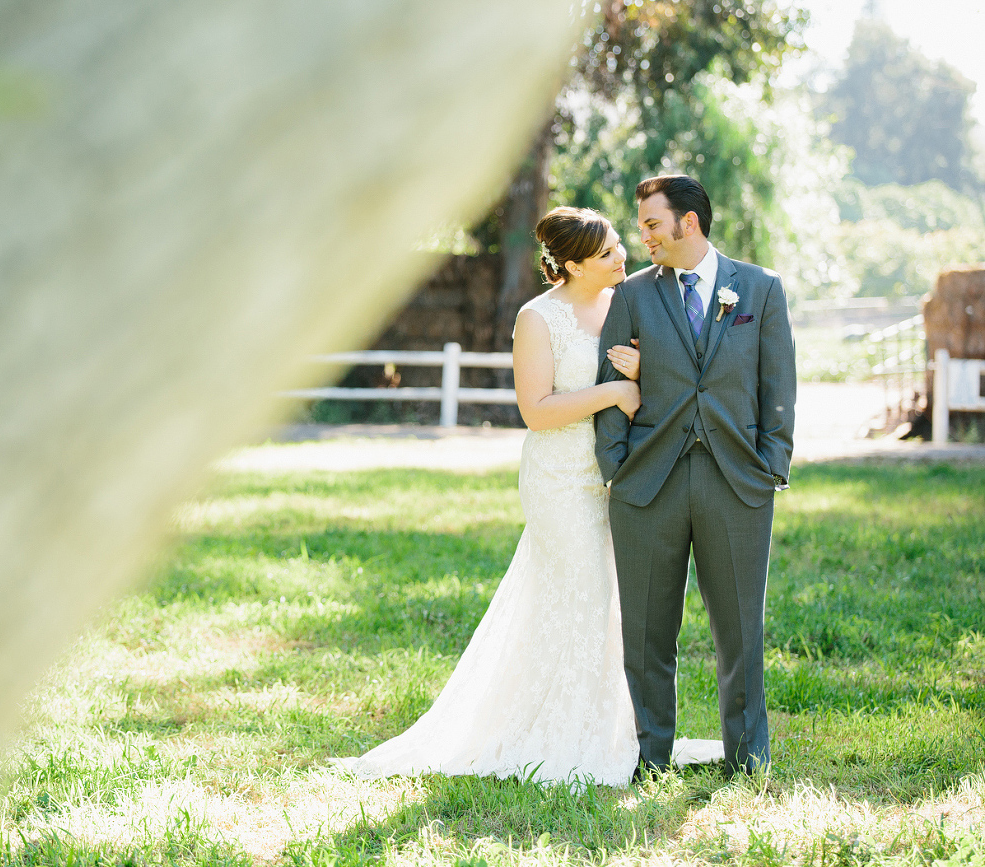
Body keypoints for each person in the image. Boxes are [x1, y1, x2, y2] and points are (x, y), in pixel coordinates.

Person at [336, 207, 645, 786]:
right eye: (607, 254)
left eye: (619, 245)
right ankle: (557, 738)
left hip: (613, 476)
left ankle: (601, 727)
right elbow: (538, 411)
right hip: (558, 479)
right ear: (572, 265)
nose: (621, 256)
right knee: (584, 590)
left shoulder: (623, 304)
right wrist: (612, 390)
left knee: (604, 602)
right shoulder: (537, 318)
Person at [594, 174, 796, 777]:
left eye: (652, 224)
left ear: (689, 222)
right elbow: (610, 390)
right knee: (648, 635)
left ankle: (748, 759)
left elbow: (777, 382)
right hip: (647, 483)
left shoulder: (759, 289)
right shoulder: (630, 296)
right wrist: (616, 467)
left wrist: (772, 466)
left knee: (740, 631)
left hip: (737, 480)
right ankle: (651, 758)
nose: (644, 237)